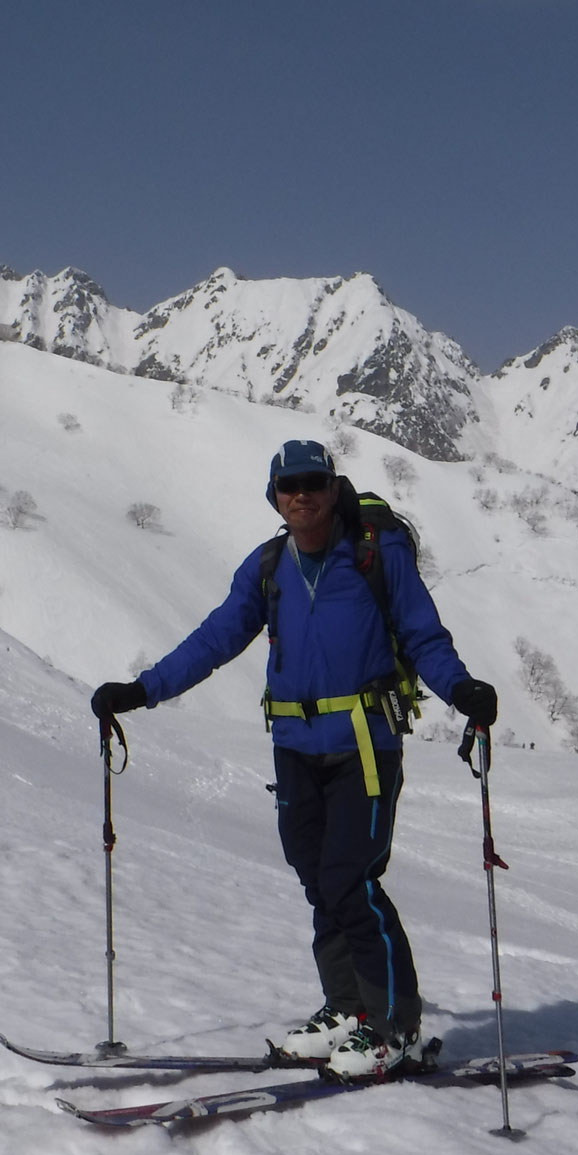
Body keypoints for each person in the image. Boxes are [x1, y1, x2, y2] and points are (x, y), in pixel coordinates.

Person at [90, 440, 499, 1080]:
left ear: (333, 489)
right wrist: (142, 691)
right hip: (294, 749)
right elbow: (216, 638)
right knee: (317, 878)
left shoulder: (375, 555)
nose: (301, 495)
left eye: (313, 483)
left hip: (365, 746)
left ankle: (396, 1026)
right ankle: (348, 1008)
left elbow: (422, 635)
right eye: (289, 486)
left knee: (349, 879)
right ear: (275, 497)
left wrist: (463, 689)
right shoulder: (269, 567)